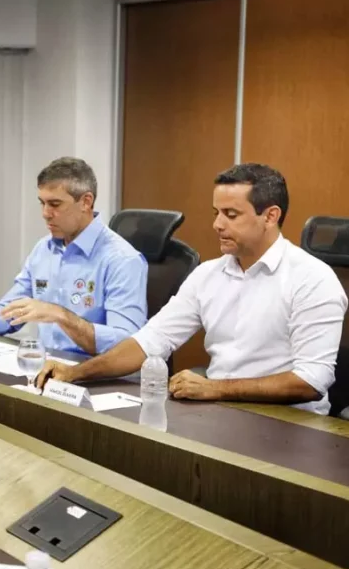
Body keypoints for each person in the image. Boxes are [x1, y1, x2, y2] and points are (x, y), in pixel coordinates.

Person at [37, 163, 347, 415]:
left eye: (231, 215)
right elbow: (149, 342)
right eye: (216, 213)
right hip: (222, 409)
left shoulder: (312, 279)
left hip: (292, 424)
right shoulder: (208, 274)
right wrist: (75, 373)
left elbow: (311, 381)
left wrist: (215, 388)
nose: (217, 225)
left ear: (270, 216)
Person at [0, 157, 148, 356]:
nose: (45, 214)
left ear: (86, 202)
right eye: (42, 203)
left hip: (99, 379)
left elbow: (128, 344)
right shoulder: (44, 249)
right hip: (48, 370)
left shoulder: (122, 259)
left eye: (55, 204)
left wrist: (60, 315)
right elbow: (9, 310)